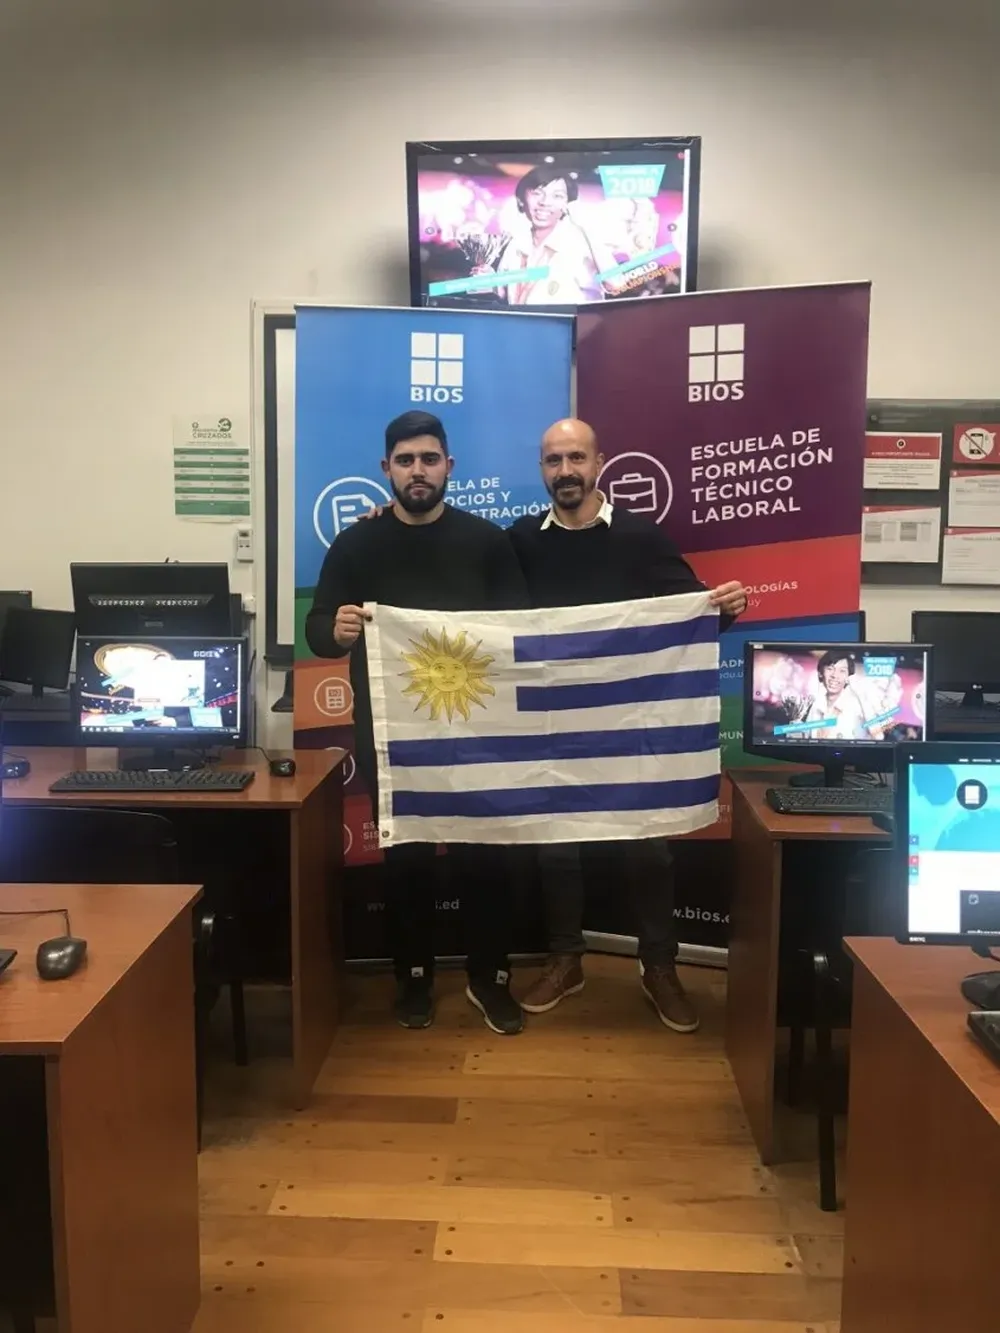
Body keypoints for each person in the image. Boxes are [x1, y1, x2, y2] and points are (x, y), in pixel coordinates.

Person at [507, 418, 748, 1033]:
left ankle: (659, 965)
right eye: (554, 460)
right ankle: (567, 960)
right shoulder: (519, 542)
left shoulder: (640, 538)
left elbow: (691, 615)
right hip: (551, 725)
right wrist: (386, 520)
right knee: (556, 848)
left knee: (648, 849)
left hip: (632, 725)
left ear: (599, 463)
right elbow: (471, 606)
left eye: (576, 458)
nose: (566, 471)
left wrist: (725, 607)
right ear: (542, 469)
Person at [305, 410, 527, 1036]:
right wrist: (337, 629)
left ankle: (489, 977)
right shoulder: (357, 544)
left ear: (448, 466)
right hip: (392, 733)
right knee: (405, 859)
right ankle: (414, 978)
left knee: (486, 858)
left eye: (429, 459)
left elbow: (521, 631)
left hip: (478, 729)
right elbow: (317, 629)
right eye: (405, 461)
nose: (418, 471)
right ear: (387, 470)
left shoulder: (487, 542)